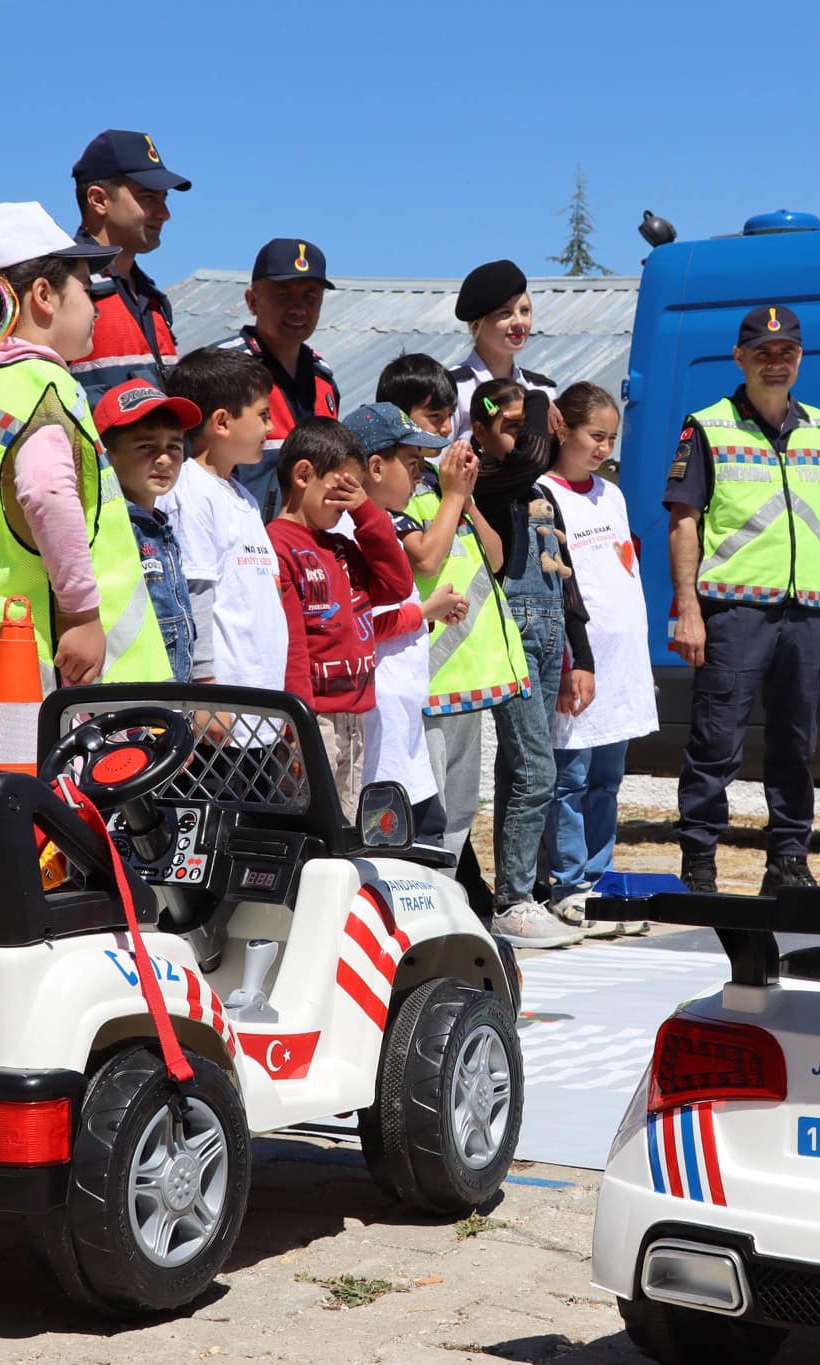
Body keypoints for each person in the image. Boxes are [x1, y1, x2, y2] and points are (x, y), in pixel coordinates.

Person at [0, 202, 172, 842]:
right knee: (53, 847)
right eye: (87, 287)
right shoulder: (42, 390)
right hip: (49, 679)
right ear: (45, 296)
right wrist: (81, 613)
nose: (98, 306)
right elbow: (48, 493)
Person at [667, 306, 820, 894]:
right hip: (733, 611)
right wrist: (688, 609)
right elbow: (683, 522)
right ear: (740, 358)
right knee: (716, 741)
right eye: (764, 352)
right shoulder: (708, 425)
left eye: (787, 352)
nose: (777, 363)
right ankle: (699, 857)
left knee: (797, 743)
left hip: (805, 612)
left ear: (800, 357)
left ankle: (789, 858)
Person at [376, 356, 560, 942]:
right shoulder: (394, 488)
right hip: (430, 675)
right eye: (432, 414)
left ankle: (445, 910)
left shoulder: (440, 485)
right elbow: (425, 557)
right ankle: (416, 918)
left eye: (444, 412)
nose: (442, 425)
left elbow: (495, 555)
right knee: (424, 807)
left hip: (466, 676)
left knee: (459, 808)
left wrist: (465, 495)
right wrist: (452, 492)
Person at [472, 379, 596, 945]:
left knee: (519, 771)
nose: (523, 436)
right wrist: (537, 407)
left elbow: (566, 580)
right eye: (508, 426)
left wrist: (581, 654)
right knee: (535, 770)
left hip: (548, 640)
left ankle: (519, 890)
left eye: (528, 424)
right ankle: (513, 900)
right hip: (513, 639)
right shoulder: (492, 479)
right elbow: (529, 456)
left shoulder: (537, 493)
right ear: (479, 431)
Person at [544, 383, 655, 935]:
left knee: (607, 778)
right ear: (561, 427)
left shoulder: (612, 494)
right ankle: (567, 883)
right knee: (571, 776)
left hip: (621, 659)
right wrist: (570, 658)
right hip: (579, 658)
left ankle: (598, 873)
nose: (604, 448)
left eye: (611, 438)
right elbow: (559, 588)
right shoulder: (544, 494)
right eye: (595, 436)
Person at [267, 420, 417, 819]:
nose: (352, 500)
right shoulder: (278, 546)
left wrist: (367, 513)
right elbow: (292, 646)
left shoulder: (342, 547)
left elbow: (398, 584)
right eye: (345, 488)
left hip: (354, 716)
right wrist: (296, 725)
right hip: (313, 718)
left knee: (346, 820)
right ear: (303, 475)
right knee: (312, 824)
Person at [342, 402, 469, 840]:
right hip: (379, 736)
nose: (420, 475)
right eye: (412, 463)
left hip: (402, 727)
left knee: (426, 844)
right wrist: (423, 612)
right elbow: (357, 628)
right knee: (390, 857)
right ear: (374, 467)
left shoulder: (382, 530)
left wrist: (426, 619)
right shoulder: (345, 536)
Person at [157, 348, 285, 696]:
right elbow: (194, 592)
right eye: (263, 415)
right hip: (224, 704)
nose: (271, 427)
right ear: (222, 422)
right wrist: (206, 687)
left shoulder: (245, 497)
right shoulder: (190, 490)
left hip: (264, 700)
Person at [68, 129, 190, 410]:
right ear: (98, 199)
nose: (164, 213)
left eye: (164, 199)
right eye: (147, 197)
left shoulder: (154, 300)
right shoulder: (62, 287)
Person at [218, 238, 340, 517]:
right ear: (252, 301)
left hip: (307, 548)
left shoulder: (324, 380)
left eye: (310, 296)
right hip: (244, 544)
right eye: (282, 295)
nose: (298, 309)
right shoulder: (225, 371)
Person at [96, 380, 204, 684]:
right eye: (146, 446)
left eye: (174, 446)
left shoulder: (162, 528)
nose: (164, 459)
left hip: (173, 696)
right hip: (130, 704)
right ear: (107, 453)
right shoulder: (105, 528)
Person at [448, 259, 556, 440]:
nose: (519, 322)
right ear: (475, 325)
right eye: (505, 313)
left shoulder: (543, 390)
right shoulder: (454, 389)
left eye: (524, 311)